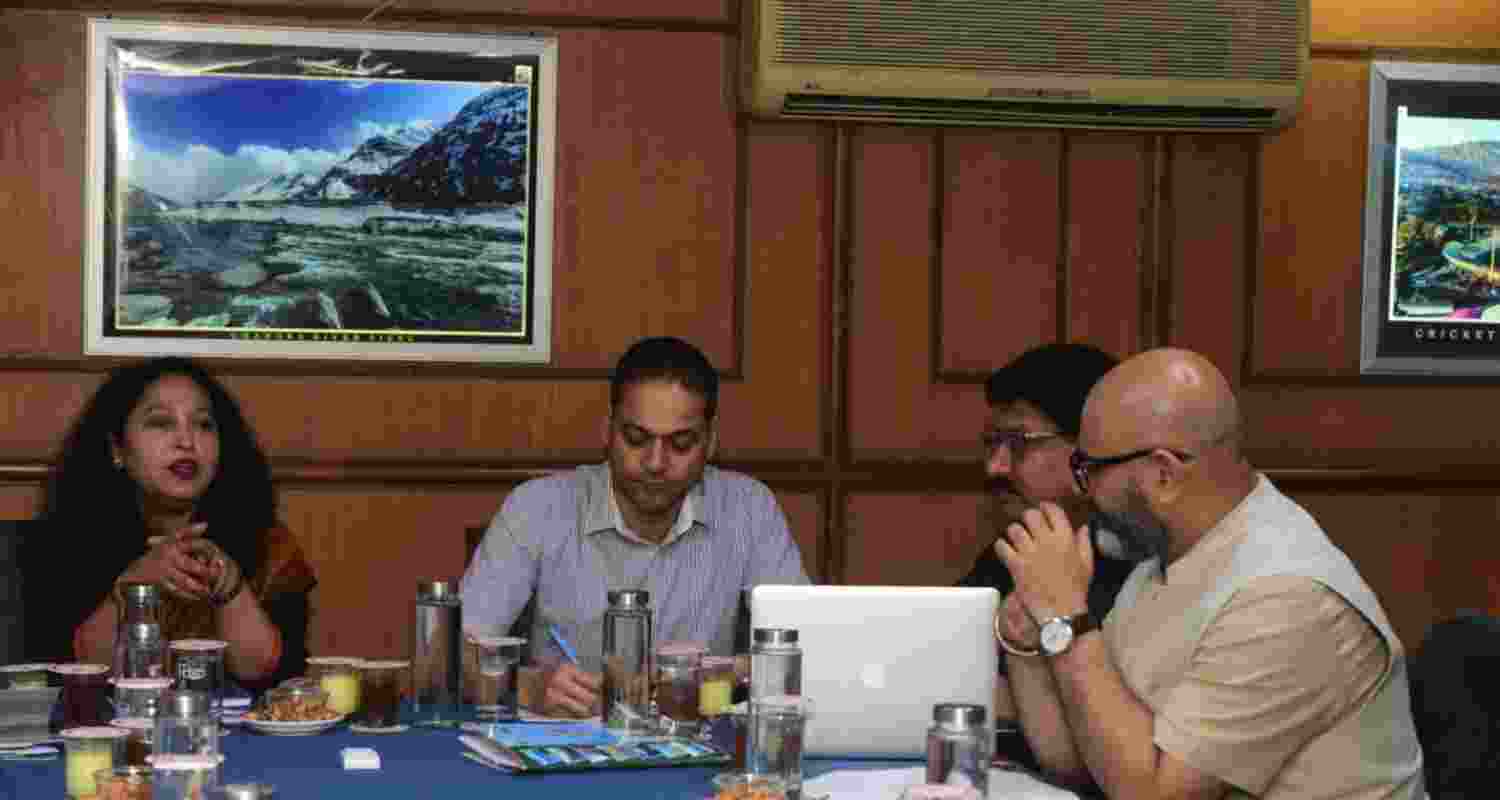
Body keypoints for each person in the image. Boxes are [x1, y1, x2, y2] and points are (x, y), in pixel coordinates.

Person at [994, 348, 1424, 799]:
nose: (1084, 492)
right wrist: (1029, 640)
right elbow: (1085, 762)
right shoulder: (1166, 560)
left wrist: (1068, 617)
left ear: (1163, 474)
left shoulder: (1285, 595)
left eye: (1088, 470)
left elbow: (1156, 797)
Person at [461, 336, 810, 718]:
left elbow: (802, 650)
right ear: (608, 431)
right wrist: (526, 685)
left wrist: (727, 675)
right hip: (565, 750)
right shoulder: (536, 508)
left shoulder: (750, 510)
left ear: (711, 442)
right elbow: (458, 655)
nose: (656, 463)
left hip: (698, 753)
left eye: (681, 443)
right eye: (637, 438)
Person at [24, 357, 315, 688]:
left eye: (204, 425)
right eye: (161, 423)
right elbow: (64, 678)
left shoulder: (270, 546)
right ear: (117, 448)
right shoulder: (62, 544)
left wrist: (231, 588)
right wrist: (133, 588)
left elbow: (279, 683)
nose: (186, 441)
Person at [958, 342, 1136, 631]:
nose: (995, 467)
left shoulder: (1146, 568)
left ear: (1090, 448)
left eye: (1018, 443)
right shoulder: (1012, 554)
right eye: (992, 443)